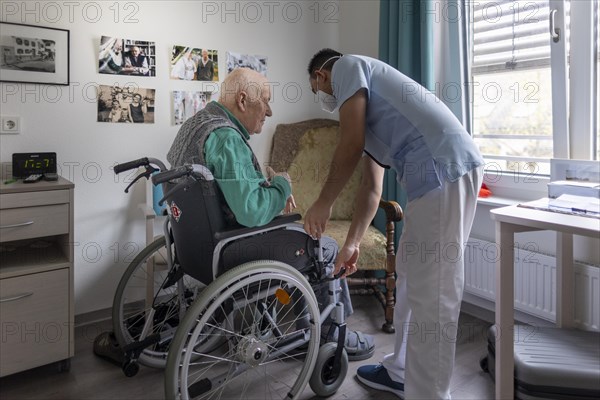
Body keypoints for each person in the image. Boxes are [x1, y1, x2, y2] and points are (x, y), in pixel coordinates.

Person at [304, 49, 485, 399]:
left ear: (322, 76)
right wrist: (353, 243)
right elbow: (371, 189)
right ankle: (400, 371)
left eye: (318, 91)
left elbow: (350, 143)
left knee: (434, 292)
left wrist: (323, 202)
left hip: (443, 169)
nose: (323, 100)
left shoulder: (347, 67)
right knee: (409, 273)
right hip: (432, 179)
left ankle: (429, 394)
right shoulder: (371, 113)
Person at [167, 67, 375, 361]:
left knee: (302, 240)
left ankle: (307, 326)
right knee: (323, 246)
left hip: (197, 252)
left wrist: (263, 186)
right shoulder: (225, 137)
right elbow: (250, 211)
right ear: (242, 100)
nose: (269, 110)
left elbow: (223, 192)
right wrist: (281, 185)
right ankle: (331, 334)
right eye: (265, 100)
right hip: (231, 250)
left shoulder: (195, 126)